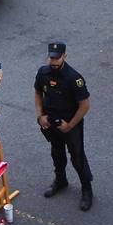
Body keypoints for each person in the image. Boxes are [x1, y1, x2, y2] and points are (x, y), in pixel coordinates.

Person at [34, 41, 92, 210]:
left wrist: (70, 125)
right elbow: (38, 93)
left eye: (57, 58)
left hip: (70, 123)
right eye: (51, 58)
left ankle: (87, 189)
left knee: (77, 156)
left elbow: (84, 105)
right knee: (56, 153)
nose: (53, 62)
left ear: (64, 56)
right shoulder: (43, 73)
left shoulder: (74, 78)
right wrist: (40, 116)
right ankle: (60, 180)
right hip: (51, 121)